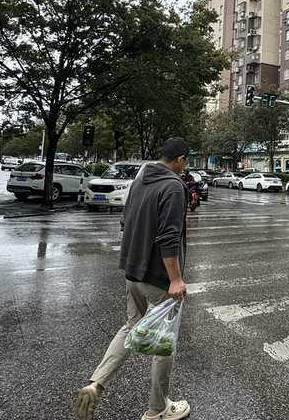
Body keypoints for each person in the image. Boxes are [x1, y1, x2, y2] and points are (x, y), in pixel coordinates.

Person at [76, 138, 191, 420]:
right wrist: (176, 279)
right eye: (185, 161)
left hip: (132, 271)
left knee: (131, 327)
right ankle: (157, 409)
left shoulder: (140, 180)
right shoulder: (174, 186)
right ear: (179, 159)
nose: (185, 166)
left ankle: (96, 383)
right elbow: (168, 237)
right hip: (158, 278)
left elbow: (125, 222)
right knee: (163, 341)